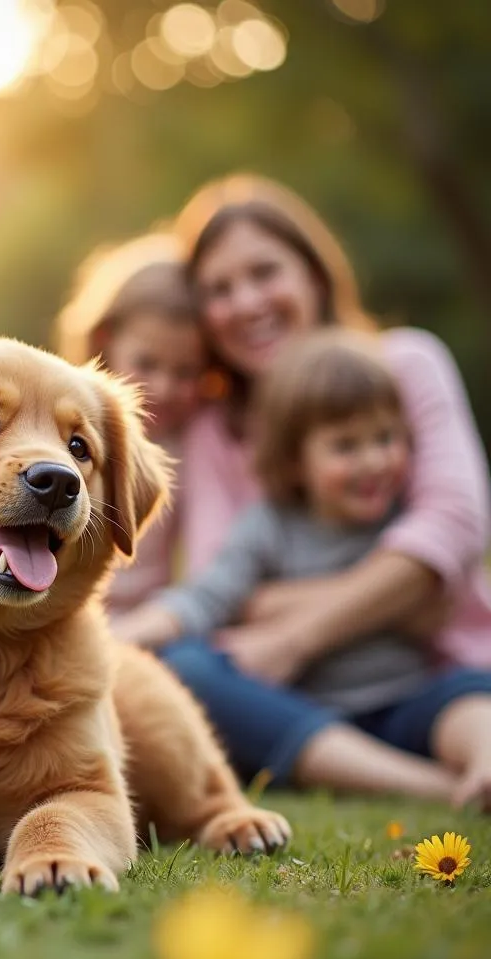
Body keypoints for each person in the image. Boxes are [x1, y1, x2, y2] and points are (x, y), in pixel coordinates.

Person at [149, 173, 491, 809]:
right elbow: (224, 589)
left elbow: (452, 528)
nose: (247, 302)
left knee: (472, 701)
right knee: (192, 671)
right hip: (290, 699)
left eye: (264, 272)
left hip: (433, 670)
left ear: (313, 274)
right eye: (219, 290)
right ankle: (430, 787)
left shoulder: (405, 364)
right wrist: (401, 587)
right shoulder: (213, 431)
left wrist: (291, 638)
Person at [54, 231, 208, 617]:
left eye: (186, 372)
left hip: (148, 622)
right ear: (105, 341)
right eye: (147, 364)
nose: (164, 388)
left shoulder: (194, 441)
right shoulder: (68, 429)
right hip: (63, 610)